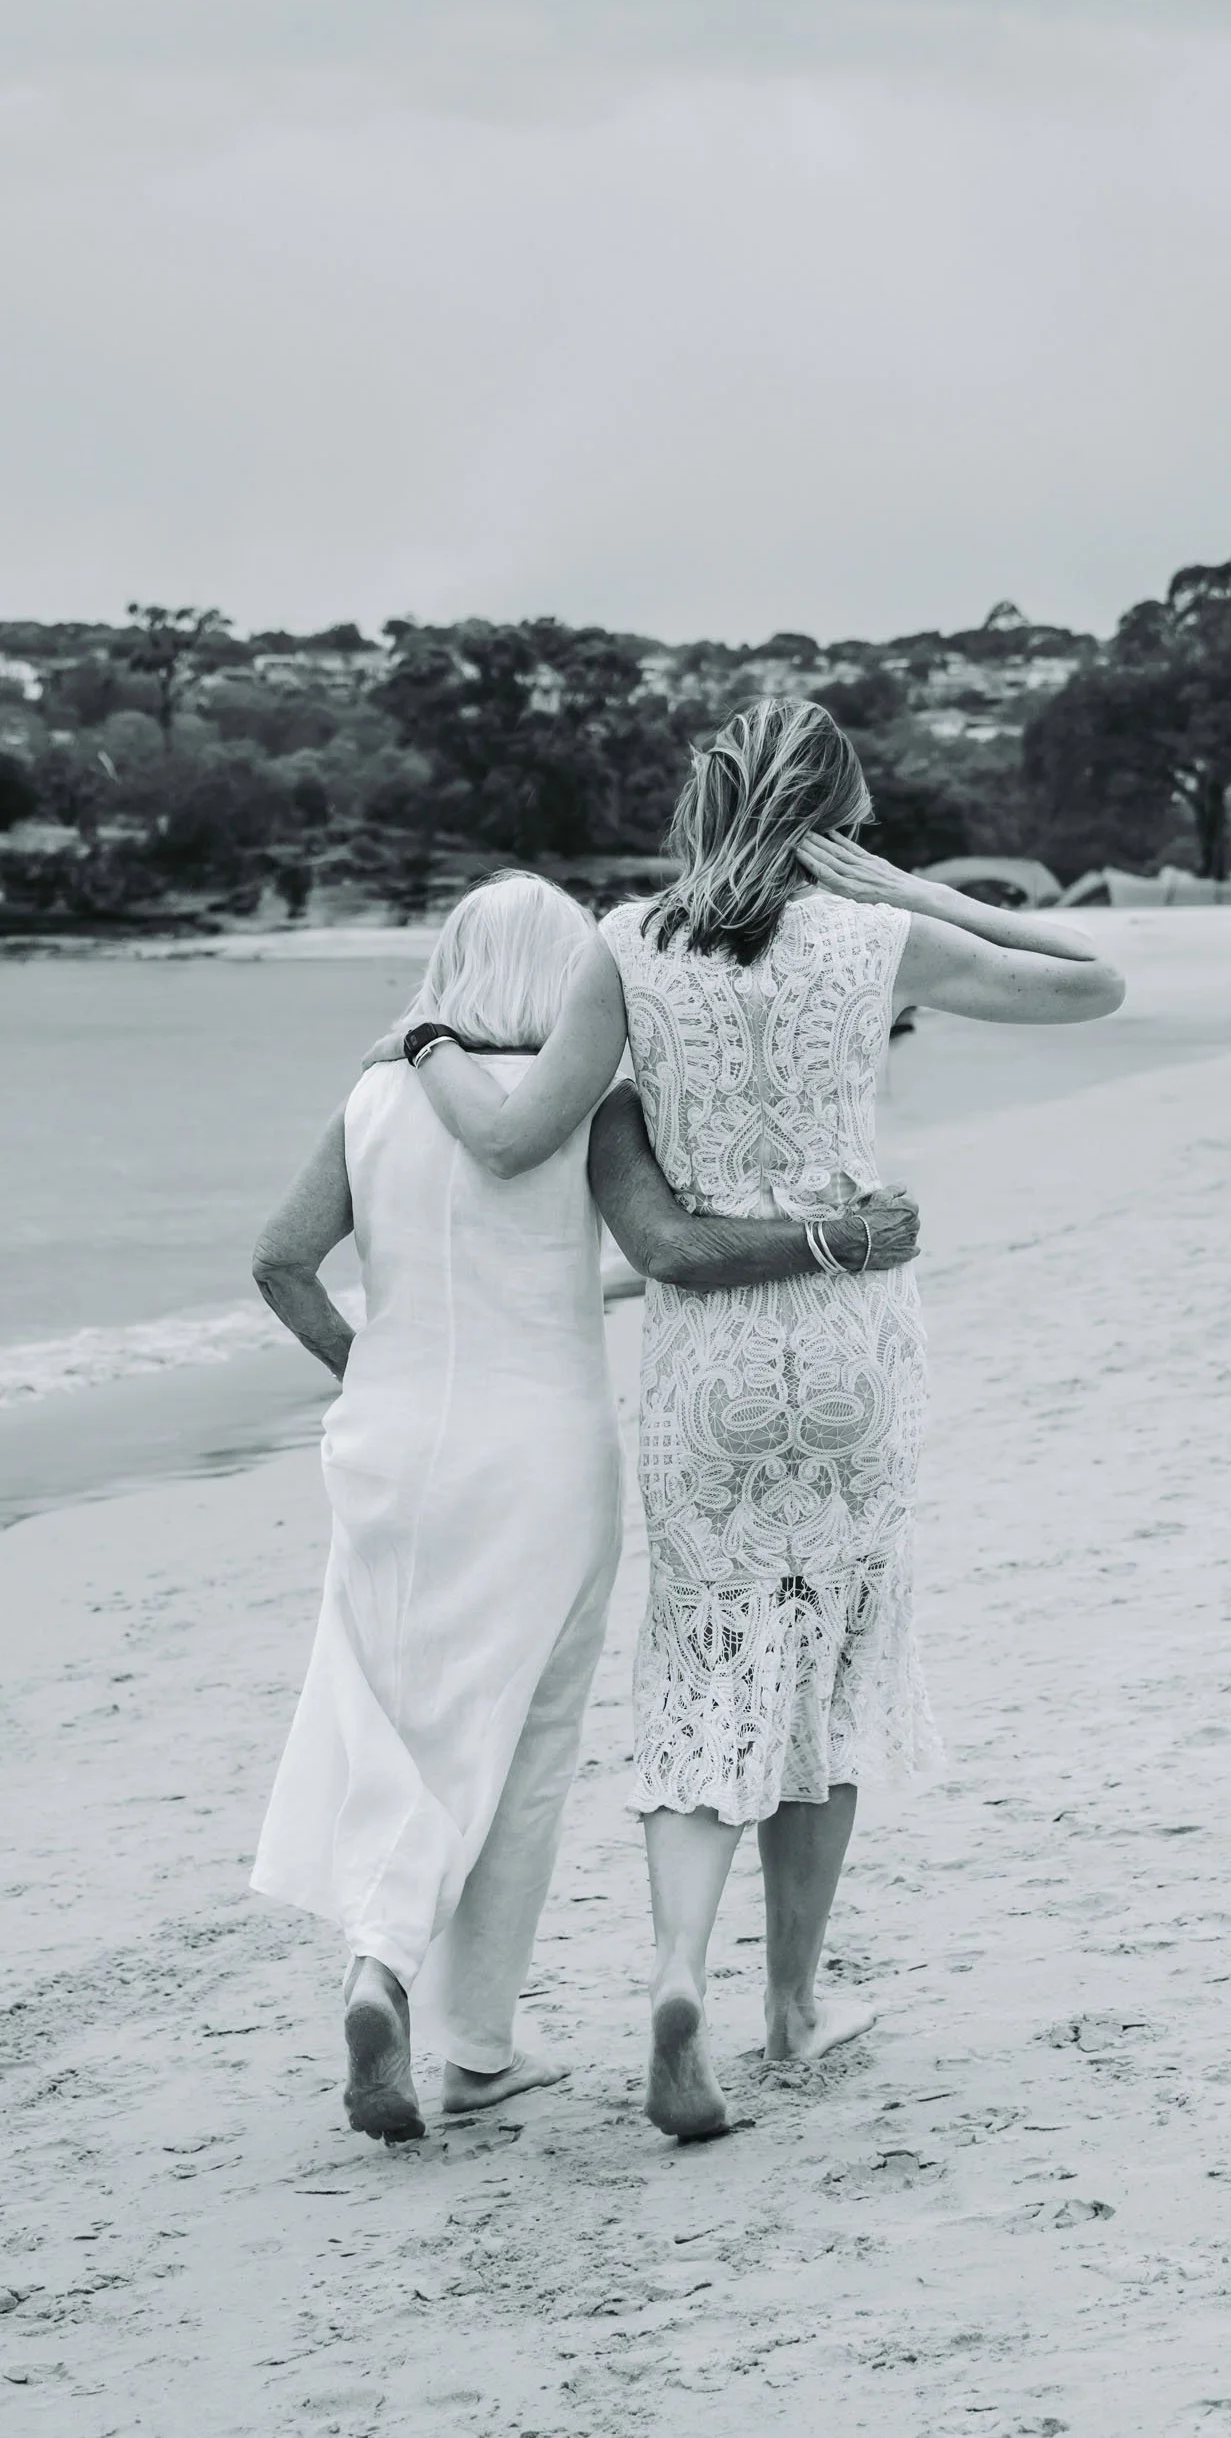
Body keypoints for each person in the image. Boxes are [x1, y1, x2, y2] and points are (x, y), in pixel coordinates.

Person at [407, 699, 1124, 2139]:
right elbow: (1097, 983)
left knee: (702, 1662)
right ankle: (792, 2003)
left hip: (706, 1358)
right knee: (829, 1671)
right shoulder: (880, 940)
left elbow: (527, 1131)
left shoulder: (626, 940)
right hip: (852, 1343)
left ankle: (679, 1973)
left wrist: (415, 1056)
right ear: (835, 819)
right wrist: (915, 892)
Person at [249, 870, 917, 2145]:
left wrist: (367, 1368)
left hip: (393, 1450)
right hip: (543, 1454)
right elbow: (663, 1248)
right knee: (528, 1744)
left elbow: (282, 1262)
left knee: (393, 1708)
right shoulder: (592, 1107)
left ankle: (377, 1966)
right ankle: (478, 2050)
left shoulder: (377, 1096)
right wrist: (841, 1239)